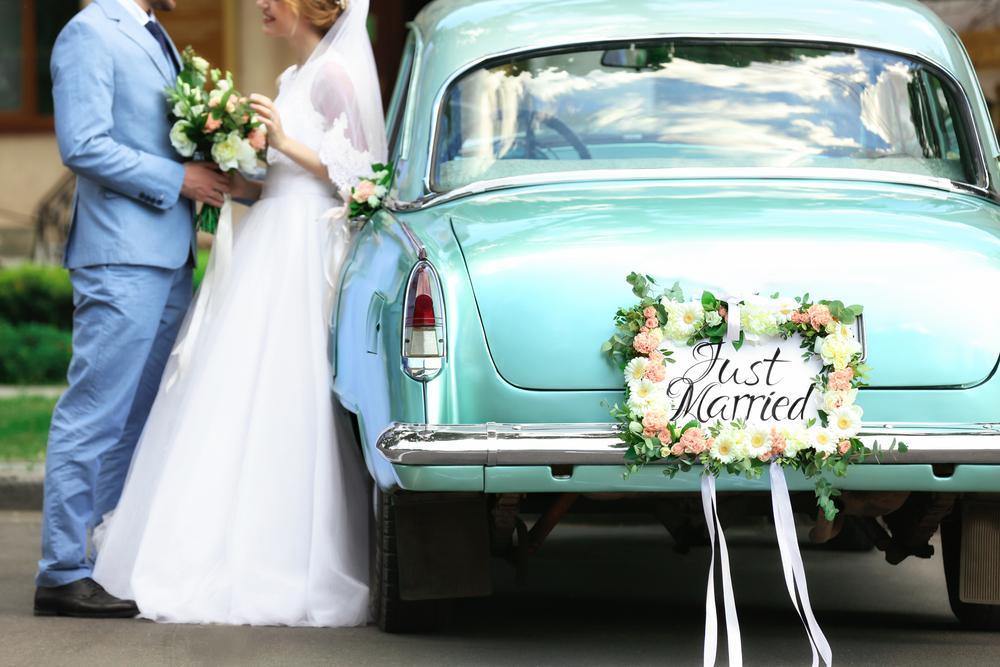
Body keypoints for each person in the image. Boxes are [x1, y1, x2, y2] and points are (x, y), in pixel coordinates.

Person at [90, 0, 386, 626]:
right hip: (268, 239)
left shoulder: (337, 77)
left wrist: (283, 142)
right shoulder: (288, 80)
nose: (260, 4)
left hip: (304, 249)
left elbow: (366, 181)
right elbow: (276, 179)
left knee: (288, 392)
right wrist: (232, 167)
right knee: (230, 392)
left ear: (310, 7)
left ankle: (290, 556)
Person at [35, 0, 231, 617]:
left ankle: (104, 554)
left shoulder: (157, 34)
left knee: (137, 420)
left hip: (169, 258)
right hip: (120, 259)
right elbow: (83, 145)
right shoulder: (88, 33)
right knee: (95, 412)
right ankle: (61, 571)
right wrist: (180, 182)